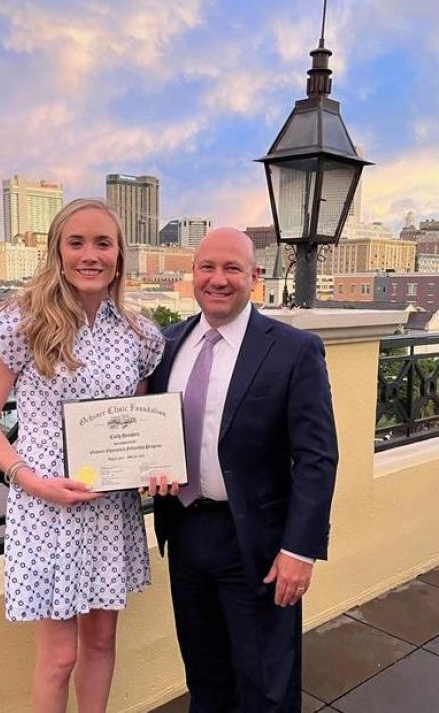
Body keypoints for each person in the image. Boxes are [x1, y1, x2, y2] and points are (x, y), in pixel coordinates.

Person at [0, 198, 169, 713]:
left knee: (101, 643)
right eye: (76, 242)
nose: (90, 255)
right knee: (58, 658)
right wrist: (30, 480)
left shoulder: (139, 335)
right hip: (47, 509)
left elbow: (139, 423)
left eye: (103, 243)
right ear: (57, 251)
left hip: (107, 507)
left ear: (120, 255)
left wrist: (151, 466)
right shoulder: (23, 322)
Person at [151, 227, 339, 712]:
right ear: (191, 275)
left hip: (258, 543)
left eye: (232, 268)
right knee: (205, 674)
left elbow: (317, 457)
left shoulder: (294, 349)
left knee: (265, 685)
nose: (218, 279)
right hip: (186, 531)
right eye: (207, 268)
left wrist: (300, 549)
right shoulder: (167, 344)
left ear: (254, 277)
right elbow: (146, 431)